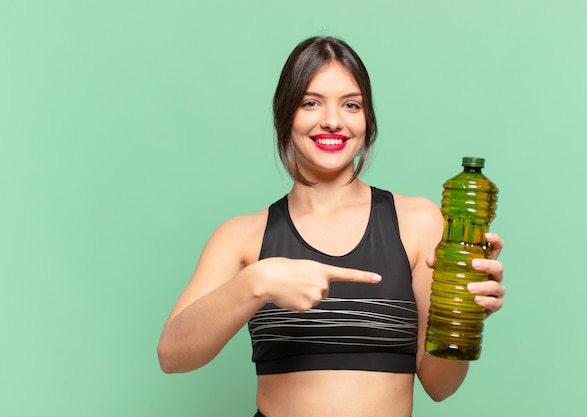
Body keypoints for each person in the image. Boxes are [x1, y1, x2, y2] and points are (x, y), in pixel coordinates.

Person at [157, 36, 505, 417]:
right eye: (311, 103)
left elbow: (440, 386)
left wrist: (462, 316)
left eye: (351, 105)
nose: (333, 121)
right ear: (285, 114)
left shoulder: (418, 223)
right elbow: (172, 356)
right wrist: (256, 282)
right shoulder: (241, 236)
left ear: (367, 120)